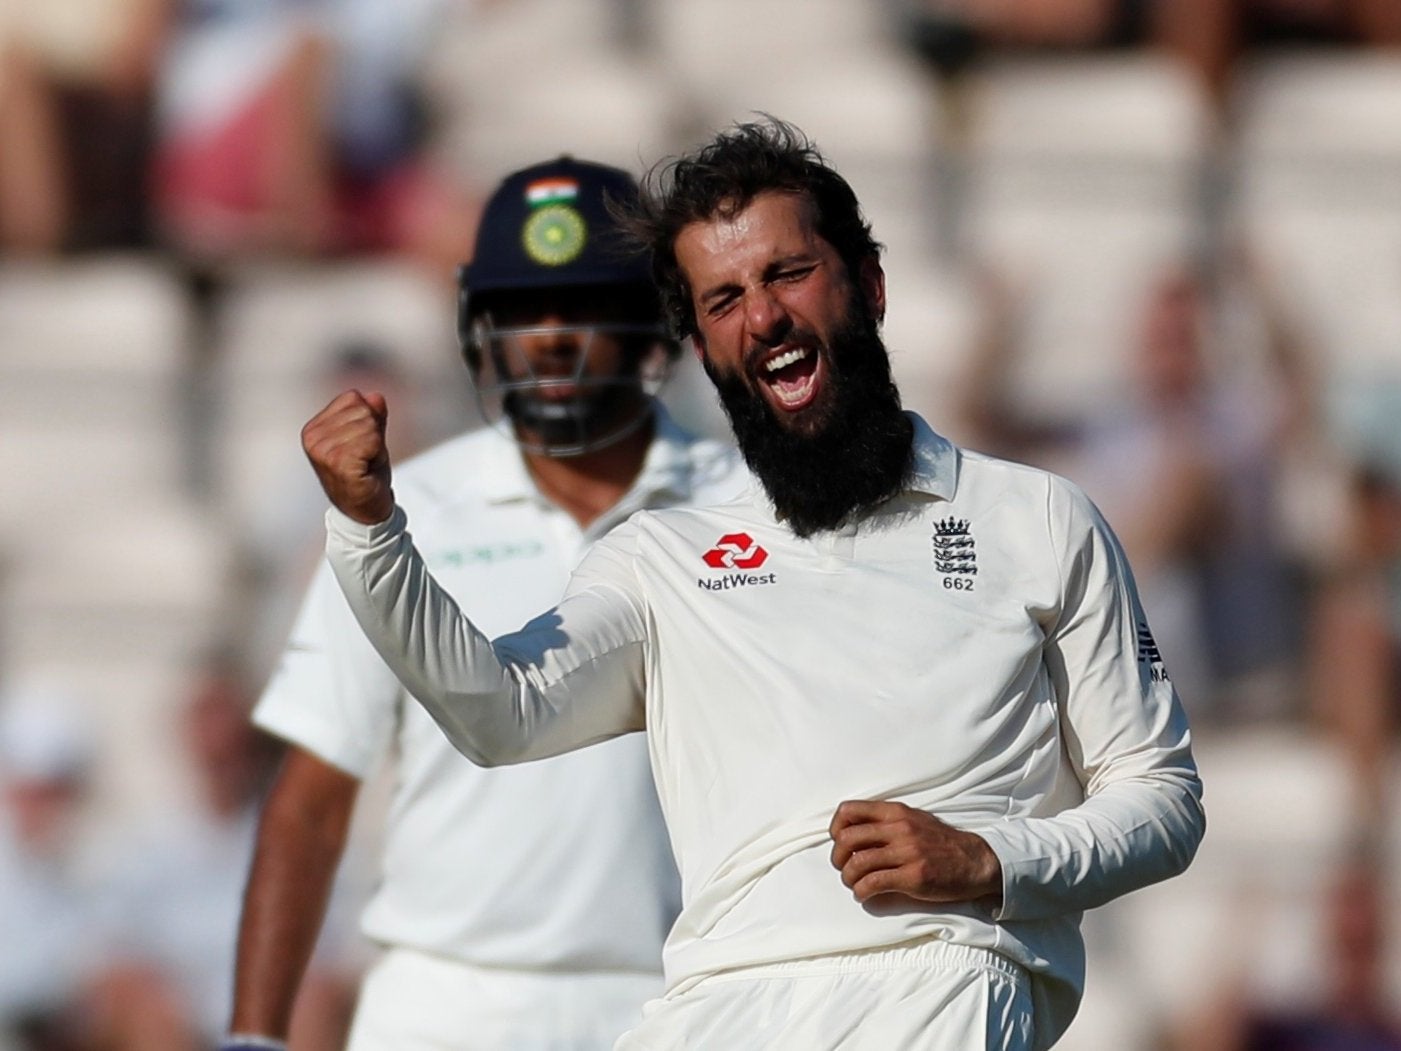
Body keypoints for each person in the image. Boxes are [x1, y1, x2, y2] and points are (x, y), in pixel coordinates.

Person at [303, 119, 1206, 1050]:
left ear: (869, 285)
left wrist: (984, 857)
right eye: (724, 298)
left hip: (935, 975)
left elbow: (1162, 798)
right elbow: (501, 711)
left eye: (787, 273)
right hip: (705, 1011)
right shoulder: (660, 555)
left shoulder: (1038, 517)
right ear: (701, 347)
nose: (763, 316)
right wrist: (372, 531)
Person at [224, 156, 748, 1051]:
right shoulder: (397, 513)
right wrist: (255, 1036)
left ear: (655, 322)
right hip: (443, 1002)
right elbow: (311, 797)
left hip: (681, 1002)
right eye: (517, 311)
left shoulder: (747, 507)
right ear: (478, 329)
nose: (546, 338)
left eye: (579, 304)